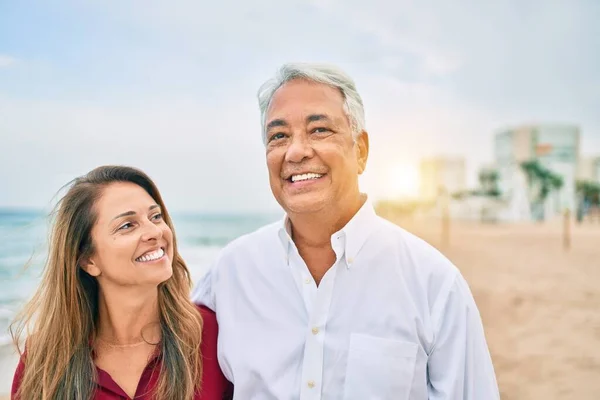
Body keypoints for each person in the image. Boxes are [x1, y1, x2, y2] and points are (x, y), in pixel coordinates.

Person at [192, 62, 500, 399]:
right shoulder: (230, 273)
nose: (296, 151)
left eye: (319, 130)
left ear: (361, 151)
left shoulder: (433, 285)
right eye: (278, 136)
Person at [11, 165, 232, 399]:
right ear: (88, 260)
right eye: (127, 225)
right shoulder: (45, 359)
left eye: (155, 217)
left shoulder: (215, 334)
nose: (154, 232)